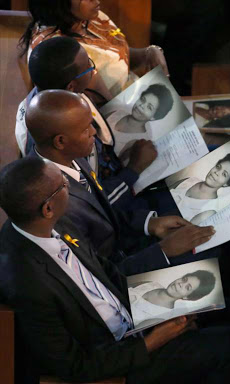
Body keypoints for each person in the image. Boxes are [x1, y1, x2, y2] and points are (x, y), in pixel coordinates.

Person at [0, 157, 230, 383]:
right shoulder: (27, 284)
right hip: (118, 357)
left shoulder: (52, 222)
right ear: (47, 209)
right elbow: (75, 366)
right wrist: (154, 340)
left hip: (132, 308)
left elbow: (106, 272)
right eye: (63, 184)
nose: (69, 183)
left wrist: (155, 304)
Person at [25, 89, 215, 275]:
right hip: (119, 274)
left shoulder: (69, 155)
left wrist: (149, 224)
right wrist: (162, 250)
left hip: (124, 242)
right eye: (85, 129)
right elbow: (96, 276)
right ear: (60, 141)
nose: (94, 132)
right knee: (210, 255)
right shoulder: (58, 204)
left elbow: (101, 212)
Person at [15, 36, 165, 211]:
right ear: (71, 86)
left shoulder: (54, 95)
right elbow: (94, 205)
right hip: (120, 197)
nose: (94, 71)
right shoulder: (60, 135)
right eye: (89, 66)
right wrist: (134, 169)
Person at [20, 0, 169, 99]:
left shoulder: (90, 18)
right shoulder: (56, 50)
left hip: (138, 98)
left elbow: (118, 56)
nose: (97, 0)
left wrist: (148, 53)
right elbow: (92, 112)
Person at [170, 152, 230, 224]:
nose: (217, 172)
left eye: (224, 174)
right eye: (218, 167)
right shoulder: (190, 180)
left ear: (227, 183)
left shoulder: (209, 211)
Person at [129, 270, 216, 327]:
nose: (181, 284)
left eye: (187, 287)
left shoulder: (160, 318)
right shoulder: (152, 284)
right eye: (184, 279)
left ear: (187, 297)